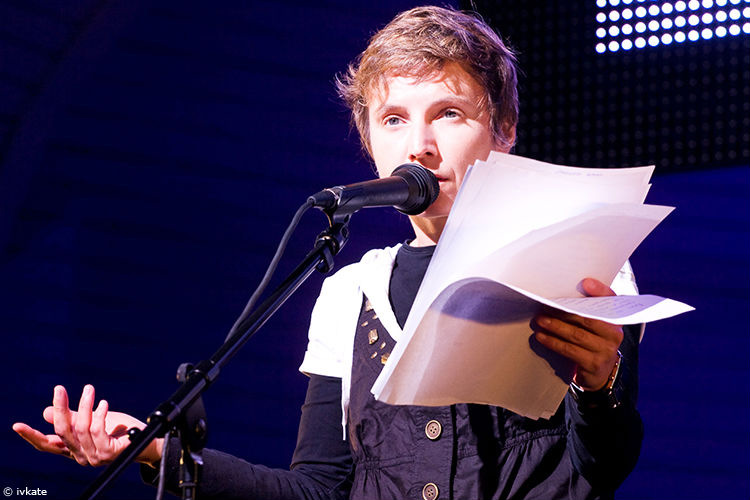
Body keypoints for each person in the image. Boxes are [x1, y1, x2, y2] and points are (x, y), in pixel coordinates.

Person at [13, 6, 643, 499]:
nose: (419, 145)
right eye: (393, 119)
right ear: (367, 138)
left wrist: (600, 386)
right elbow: (317, 488)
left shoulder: (580, 258)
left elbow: (605, 465)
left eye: (448, 113)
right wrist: (157, 451)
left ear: (503, 129)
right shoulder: (350, 294)